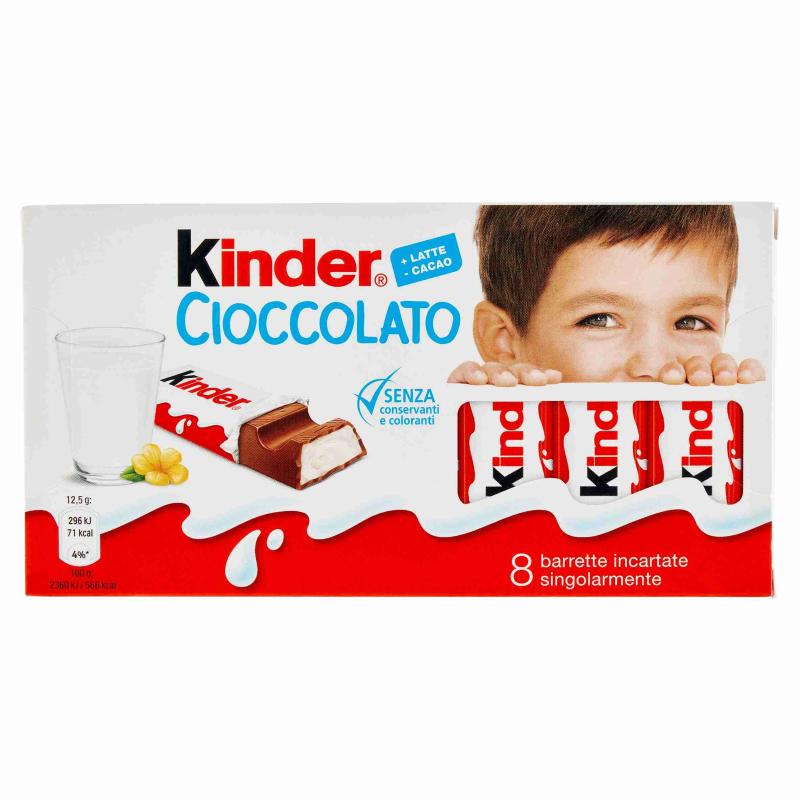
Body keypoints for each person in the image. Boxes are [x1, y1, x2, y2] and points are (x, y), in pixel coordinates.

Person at [448, 205, 766, 386]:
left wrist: (750, 433)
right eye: (599, 320)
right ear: (502, 341)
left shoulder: (733, 440)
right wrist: (455, 431)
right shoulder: (473, 436)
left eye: (691, 322)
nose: (655, 366)